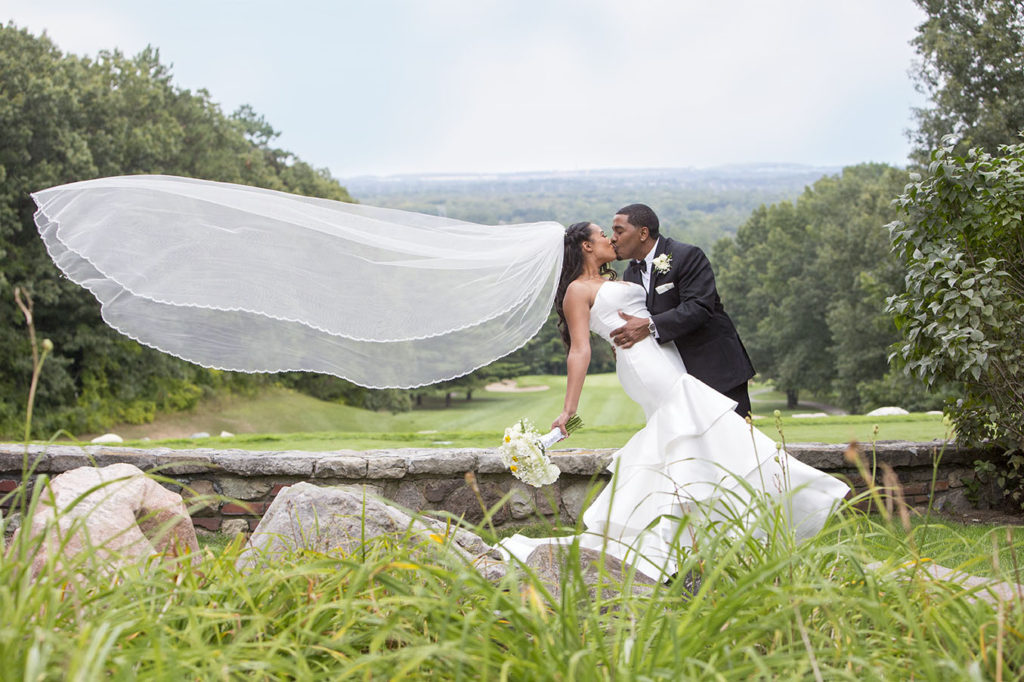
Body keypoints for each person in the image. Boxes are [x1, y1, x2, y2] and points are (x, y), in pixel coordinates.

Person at [501, 222, 849, 581]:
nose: (609, 237)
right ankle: (788, 501)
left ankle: (690, 533)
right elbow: (580, 349)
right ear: (586, 246)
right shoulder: (577, 290)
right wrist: (568, 410)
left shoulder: (623, 276)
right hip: (643, 365)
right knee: (701, 423)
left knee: (687, 438)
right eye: (602, 233)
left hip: (668, 357)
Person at [609, 203, 755, 417]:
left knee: (736, 441)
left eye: (619, 231)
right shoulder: (631, 274)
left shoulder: (687, 256)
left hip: (717, 370)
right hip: (676, 378)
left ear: (643, 233)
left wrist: (649, 326)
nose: (613, 238)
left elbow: (699, 307)